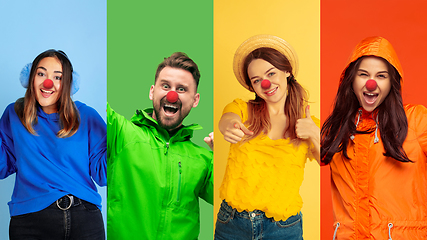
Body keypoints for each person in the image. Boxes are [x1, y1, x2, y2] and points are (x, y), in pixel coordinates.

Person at [215, 35, 320, 240]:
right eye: (256, 80)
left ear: (287, 71)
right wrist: (229, 126)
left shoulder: (308, 123)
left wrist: (315, 134)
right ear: (252, 87)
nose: (265, 83)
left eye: (271, 73)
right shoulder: (242, 109)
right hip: (232, 224)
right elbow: (227, 118)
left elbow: (328, 160)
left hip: (284, 228)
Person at [321, 36, 427, 239]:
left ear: (391, 82)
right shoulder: (338, 129)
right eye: (363, 74)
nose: (371, 83)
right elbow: (291, 151)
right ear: (351, 80)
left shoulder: (417, 121)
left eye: (381, 76)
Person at [0, 49, 107, 239]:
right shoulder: (14, 114)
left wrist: (122, 143)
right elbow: (3, 163)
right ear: (30, 78)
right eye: (41, 74)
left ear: (67, 84)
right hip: (29, 221)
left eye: (58, 77)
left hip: (84, 218)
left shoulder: (86, 116)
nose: (47, 83)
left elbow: (103, 174)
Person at [107, 52, 213, 240]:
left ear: (195, 100)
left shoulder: (204, 159)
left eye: (181, 89)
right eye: (165, 86)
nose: (171, 95)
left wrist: (229, 155)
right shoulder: (121, 133)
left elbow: (235, 200)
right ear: (152, 91)